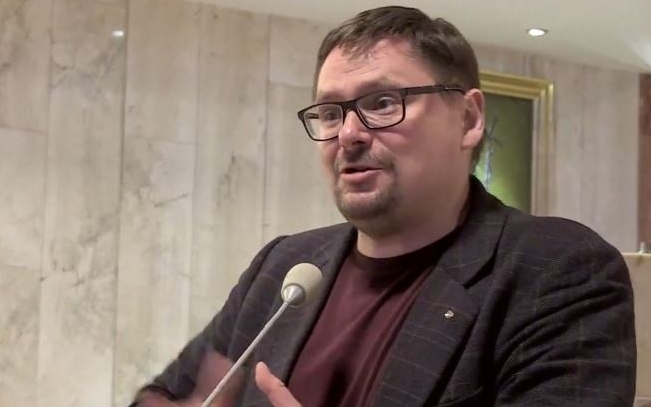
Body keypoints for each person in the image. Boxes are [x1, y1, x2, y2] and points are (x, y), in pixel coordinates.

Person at [130, 5, 636, 407]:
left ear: (468, 119)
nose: (348, 134)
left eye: (382, 103)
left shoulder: (558, 270)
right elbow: (171, 397)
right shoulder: (283, 266)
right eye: (331, 112)